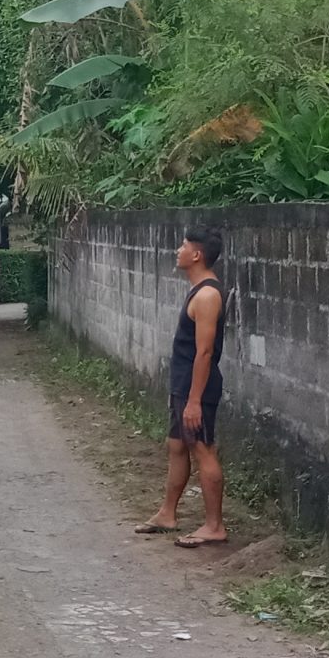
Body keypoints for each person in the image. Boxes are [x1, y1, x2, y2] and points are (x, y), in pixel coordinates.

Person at [134, 227, 229, 548]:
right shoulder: (198, 290)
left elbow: (204, 353)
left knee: (203, 450)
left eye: (184, 245)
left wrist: (194, 401)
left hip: (196, 389)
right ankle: (167, 513)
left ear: (197, 255)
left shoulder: (207, 296)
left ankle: (214, 526)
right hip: (184, 385)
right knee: (176, 446)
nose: (178, 250)